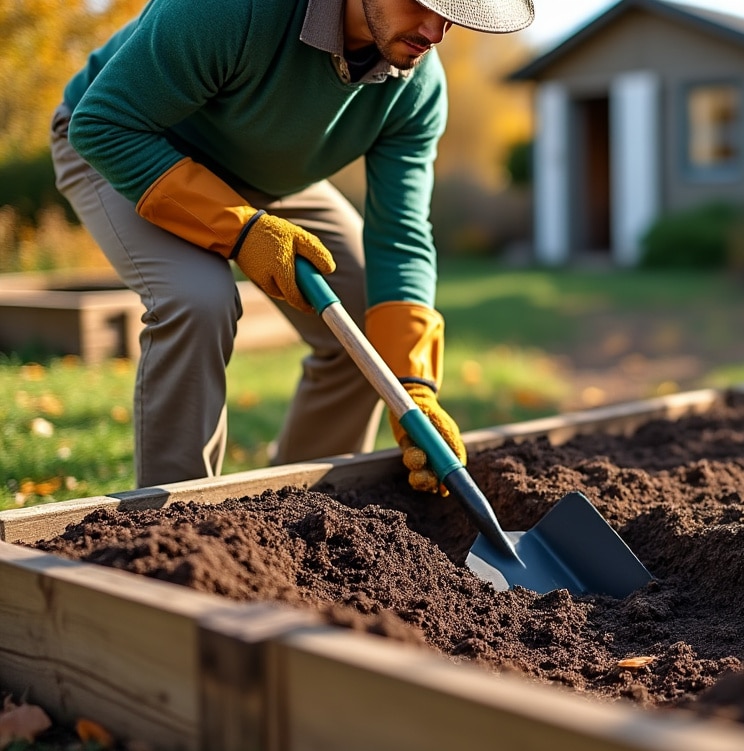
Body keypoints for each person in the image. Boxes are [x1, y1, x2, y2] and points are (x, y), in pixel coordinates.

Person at [50, 0, 534, 492]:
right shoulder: (231, 10)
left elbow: (402, 234)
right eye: (421, 2)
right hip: (127, 147)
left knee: (367, 331)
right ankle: (173, 524)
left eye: (455, 13)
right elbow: (103, 124)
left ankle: (300, 509)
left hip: (265, 176)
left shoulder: (416, 87)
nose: (436, 30)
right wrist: (242, 230)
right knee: (198, 300)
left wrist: (413, 388)